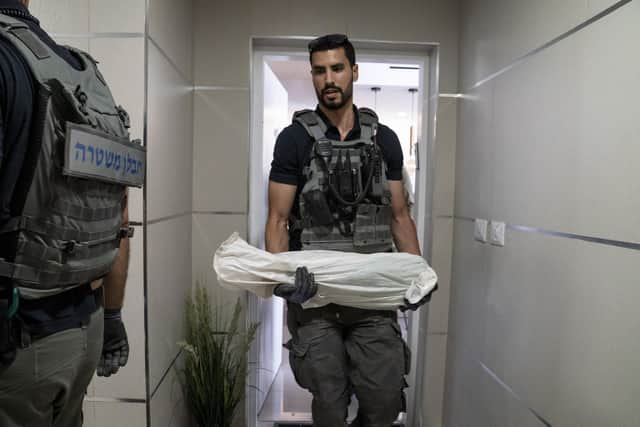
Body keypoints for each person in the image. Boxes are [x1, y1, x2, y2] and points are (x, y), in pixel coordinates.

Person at [265, 33, 432, 427]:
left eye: (337, 68)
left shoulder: (384, 139)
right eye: (320, 71)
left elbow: (399, 217)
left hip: (371, 298)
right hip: (316, 298)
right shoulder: (293, 140)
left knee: (385, 400)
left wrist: (417, 274)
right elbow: (277, 220)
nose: (329, 79)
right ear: (312, 76)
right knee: (329, 400)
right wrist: (282, 279)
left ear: (353, 71)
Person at [0, 1, 144, 425]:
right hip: (83, 329)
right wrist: (113, 314)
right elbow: (119, 215)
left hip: (17, 345)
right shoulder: (86, 76)